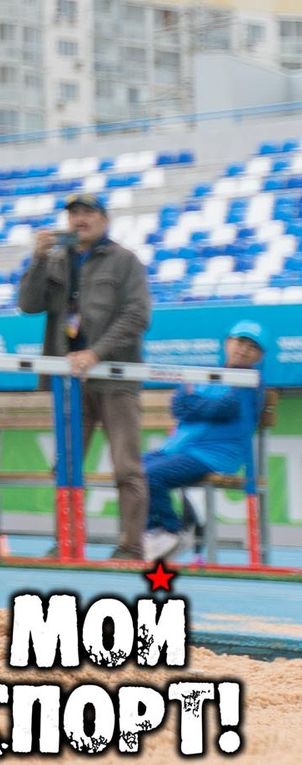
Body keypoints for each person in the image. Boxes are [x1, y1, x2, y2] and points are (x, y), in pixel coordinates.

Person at [19, 193, 154, 559]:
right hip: (69, 380)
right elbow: (29, 305)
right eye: (74, 213)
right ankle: (67, 541)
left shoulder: (125, 260)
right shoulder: (58, 258)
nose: (80, 219)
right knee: (65, 464)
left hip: (114, 377)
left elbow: (138, 316)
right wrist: (37, 258)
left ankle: (131, 546)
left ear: (105, 219)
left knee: (126, 466)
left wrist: (96, 352)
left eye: (88, 213)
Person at [142, 322, 270, 561]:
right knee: (131, 471)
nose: (244, 349)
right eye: (240, 341)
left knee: (151, 476)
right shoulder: (205, 373)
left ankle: (172, 531)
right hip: (179, 450)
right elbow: (179, 405)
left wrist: (194, 404)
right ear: (227, 342)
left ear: (259, 356)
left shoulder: (250, 382)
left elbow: (225, 407)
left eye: (252, 347)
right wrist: (201, 407)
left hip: (212, 456)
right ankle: (155, 531)